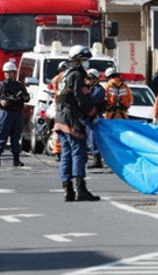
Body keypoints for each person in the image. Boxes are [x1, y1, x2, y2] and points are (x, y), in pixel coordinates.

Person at [53, 45, 99, 201]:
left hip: (60, 118)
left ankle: (67, 189)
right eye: (84, 60)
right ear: (77, 60)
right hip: (71, 119)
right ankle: (81, 189)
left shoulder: (64, 75)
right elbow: (83, 99)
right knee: (78, 153)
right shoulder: (76, 76)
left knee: (66, 154)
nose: (86, 63)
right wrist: (93, 114)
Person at [0, 61, 30, 167]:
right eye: (6, 72)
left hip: (17, 113)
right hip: (6, 113)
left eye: (10, 72)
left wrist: (24, 96)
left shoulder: (20, 85)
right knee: (2, 136)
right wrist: (1, 102)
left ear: (14, 72)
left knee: (16, 137)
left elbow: (27, 98)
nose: (7, 74)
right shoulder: (2, 85)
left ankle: (16, 160)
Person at [85, 68, 106, 169]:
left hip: (94, 117)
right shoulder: (89, 88)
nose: (88, 80)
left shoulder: (99, 90)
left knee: (93, 138)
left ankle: (97, 160)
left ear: (96, 79)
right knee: (88, 138)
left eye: (90, 78)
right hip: (87, 117)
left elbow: (91, 101)